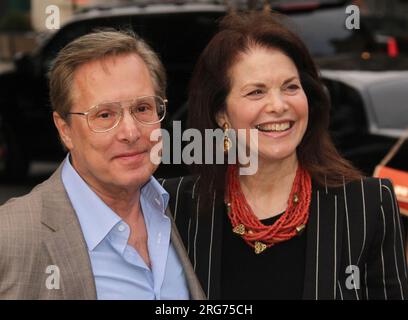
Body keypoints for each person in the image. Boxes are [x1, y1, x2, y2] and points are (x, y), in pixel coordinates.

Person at [161, 11, 408, 299]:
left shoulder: (367, 204)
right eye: (256, 92)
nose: (278, 105)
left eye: (290, 87)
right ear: (221, 114)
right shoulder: (177, 206)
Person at [0, 30, 205, 300]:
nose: (131, 132)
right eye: (105, 115)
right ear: (65, 130)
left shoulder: (187, 212)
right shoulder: (12, 236)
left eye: (143, 108)